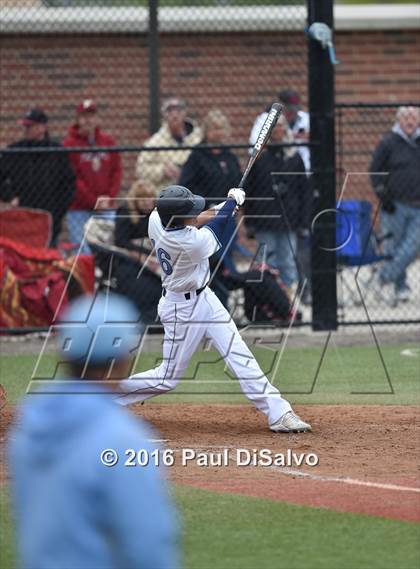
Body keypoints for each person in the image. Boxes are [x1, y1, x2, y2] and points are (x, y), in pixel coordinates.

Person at [117, 184, 312, 433]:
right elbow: (214, 228)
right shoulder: (190, 243)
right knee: (167, 378)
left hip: (205, 298)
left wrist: (225, 206)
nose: (193, 214)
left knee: (239, 353)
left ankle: (278, 412)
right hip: (181, 310)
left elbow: (197, 218)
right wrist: (231, 205)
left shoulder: (157, 217)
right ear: (177, 218)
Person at [8, 293, 179, 569]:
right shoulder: (124, 441)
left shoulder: (26, 429)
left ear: (64, 353)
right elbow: (148, 548)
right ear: (124, 359)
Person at [244, 115, 311, 291]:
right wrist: (249, 222)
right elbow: (249, 190)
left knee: (287, 261)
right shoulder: (258, 157)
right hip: (265, 219)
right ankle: (269, 297)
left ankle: (287, 299)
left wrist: (304, 222)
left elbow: (304, 191)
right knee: (267, 261)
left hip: (289, 218)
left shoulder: (293, 157)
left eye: (280, 126)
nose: (277, 130)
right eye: (273, 127)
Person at [0, 108, 75, 246]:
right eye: (25, 126)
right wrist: (9, 196)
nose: (26, 129)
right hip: (24, 214)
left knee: (47, 254)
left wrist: (58, 211)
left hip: (49, 215)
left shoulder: (57, 152)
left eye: (30, 126)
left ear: (42, 127)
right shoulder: (15, 151)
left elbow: (68, 183)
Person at [370, 106, 420, 304]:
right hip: (395, 205)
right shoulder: (388, 142)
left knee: (412, 246)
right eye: (407, 117)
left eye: (414, 118)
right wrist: (384, 195)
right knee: (394, 247)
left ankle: (382, 278)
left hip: (418, 205)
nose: (410, 121)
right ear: (399, 120)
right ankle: (400, 287)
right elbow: (375, 170)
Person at [64, 99, 122, 252]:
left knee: (110, 249)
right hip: (79, 209)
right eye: (84, 116)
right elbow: (72, 178)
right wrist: (93, 201)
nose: (88, 120)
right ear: (78, 119)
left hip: (106, 206)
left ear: (97, 118)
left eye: (91, 116)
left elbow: (116, 171)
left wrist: (109, 197)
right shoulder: (69, 144)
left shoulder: (108, 142)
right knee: (82, 252)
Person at [114, 181, 162, 325]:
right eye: (142, 198)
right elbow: (121, 241)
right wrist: (147, 252)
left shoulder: (157, 215)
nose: (147, 202)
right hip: (130, 260)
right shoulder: (125, 212)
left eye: (150, 198)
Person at [135, 97, 202, 196]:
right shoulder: (155, 142)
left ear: (185, 113)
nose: (174, 115)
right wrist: (162, 170)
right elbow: (140, 170)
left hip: (197, 192)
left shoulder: (199, 137)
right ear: (164, 115)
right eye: (170, 111)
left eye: (178, 110)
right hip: (167, 194)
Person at [179, 109, 242, 207]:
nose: (218, 132)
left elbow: (237, 181)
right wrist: (205, 203)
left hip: (228, 209)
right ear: (206, 131)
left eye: (221, 128)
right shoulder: (197, 155)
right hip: (204, 211)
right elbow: (187, 184)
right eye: (214, 129)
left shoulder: (229, 156)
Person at [250, 88, 310, 172]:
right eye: (288, 108)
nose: (292, 112)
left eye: (295, 108)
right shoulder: (265, 119)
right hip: (272, 170)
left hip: (304, 170)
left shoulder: (305, 118)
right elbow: (253, 147)